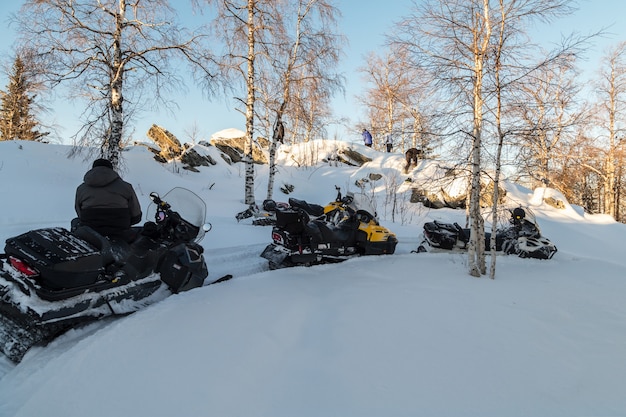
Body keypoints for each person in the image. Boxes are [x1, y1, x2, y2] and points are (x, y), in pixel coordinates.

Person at [74, 158, 142, 240]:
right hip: (120, 232)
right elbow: (136, 215)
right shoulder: (125, 187)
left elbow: (79, 212)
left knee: (75, 222)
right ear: (111, 170)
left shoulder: (81, 188)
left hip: (90, 233)